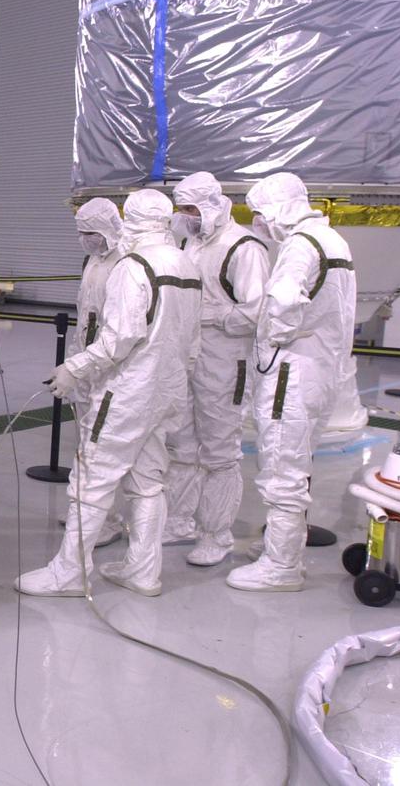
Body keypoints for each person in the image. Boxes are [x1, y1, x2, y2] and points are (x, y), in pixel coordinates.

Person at [16, 189, 200, 597]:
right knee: (149, 481)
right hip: (164, 392)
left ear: (130, 218)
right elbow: (191, 338)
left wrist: (73, 369)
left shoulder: (135, 266)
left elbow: (120, 338)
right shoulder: (186, 263)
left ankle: (69, 573)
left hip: (127, 392)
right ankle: (143, 571)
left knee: (91, 479)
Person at [226, 173, 356, 592]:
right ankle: (284, 551)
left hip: (292, 374)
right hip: (321, 369)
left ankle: (280, 566)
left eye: (261, 214)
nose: (260, 224)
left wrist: (274, 334)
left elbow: (283, 300)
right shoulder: (332, 240)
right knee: (297, 464)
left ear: (278, 208)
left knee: (283, 467)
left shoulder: (301, 245)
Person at [162, 172, 272, 566]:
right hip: (188, 357)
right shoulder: (191, 242)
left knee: (219, 451)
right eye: (182, 209)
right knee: (182, 443)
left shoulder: (243, 247)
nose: (186, 216)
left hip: (225, 362)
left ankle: (215, 533)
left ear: (211, 205)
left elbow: (257, 311)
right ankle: (178, 522)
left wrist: (210, 314)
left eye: (192, 209)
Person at [69, 198, 129, 548]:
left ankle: (105, 518)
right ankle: (89, 513)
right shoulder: (91, 262)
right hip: (86, 362)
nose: (85, 239)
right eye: (80, 233)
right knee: (84, 442)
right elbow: (85, 316)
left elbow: (118, 329)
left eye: (90, 232)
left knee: (102, 447)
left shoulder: (125, 263)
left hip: (110, 367)